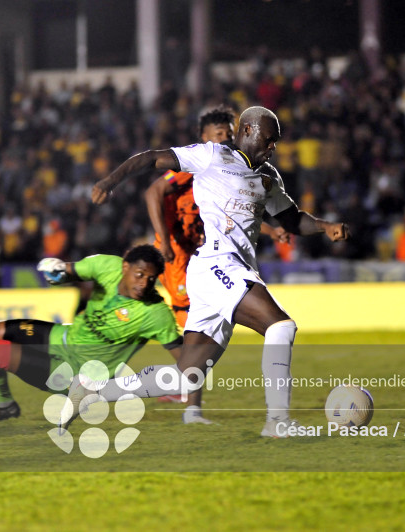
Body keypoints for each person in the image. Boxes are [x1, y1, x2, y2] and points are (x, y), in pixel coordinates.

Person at [72, 106, 349, 438]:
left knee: (185, 376)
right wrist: (110, 180)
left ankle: (93, 391)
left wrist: (324, 226)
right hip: (217, 264)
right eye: (269, 139)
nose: (272, 147)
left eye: (276, 142)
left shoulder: (268, 176)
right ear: (247, 131)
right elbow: (150, 158)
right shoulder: (210, 156)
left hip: (226, 272)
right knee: (280, 326)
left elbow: (291, 220)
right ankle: (278, 422)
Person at [0, 245, 211, 425]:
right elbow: (67, 272)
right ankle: (4, 404)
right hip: (61, 336)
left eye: (151, 278)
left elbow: (188, 362)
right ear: (124, 267)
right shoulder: (106, 266)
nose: (144, 283)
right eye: (139, 274)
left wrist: (193, 408)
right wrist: (57, 273)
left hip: (75, 374)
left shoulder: (155, 314)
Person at [146, 105, 287, 329]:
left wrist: (271, 231)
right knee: (187, 309)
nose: (226, 138)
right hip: (178, 247)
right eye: (219, 133)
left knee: (208, 314)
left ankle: (188, 360)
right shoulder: (193, 165)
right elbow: (154, 191)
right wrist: (164, 240)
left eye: (229, 133)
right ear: (204, 137)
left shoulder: (230, 169)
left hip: (204, 248)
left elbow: (237, 215)